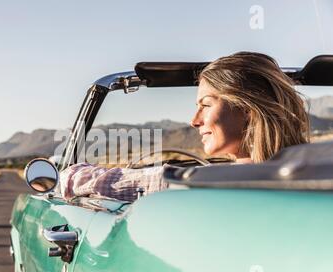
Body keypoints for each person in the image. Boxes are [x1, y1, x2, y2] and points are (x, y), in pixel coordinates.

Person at [60, 52, 310, 202]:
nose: (194, 120)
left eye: (206, 105)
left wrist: (70, 174)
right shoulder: (311, 173)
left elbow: (106, 182)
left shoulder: (201, 182)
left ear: (247, 111)